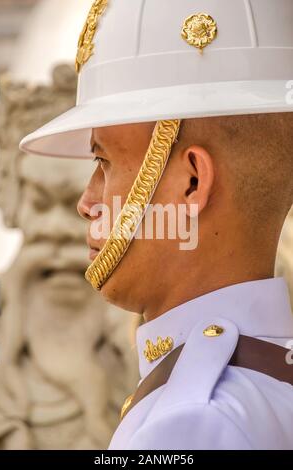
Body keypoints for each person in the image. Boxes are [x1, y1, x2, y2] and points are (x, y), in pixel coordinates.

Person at [20, 0, 293, 449]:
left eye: (103, 161)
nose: (87, 202)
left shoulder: (193, 420)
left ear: (190, 183)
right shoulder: (261, 383)